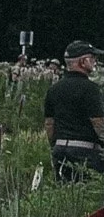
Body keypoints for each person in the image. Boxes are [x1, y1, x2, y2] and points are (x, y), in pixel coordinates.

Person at [44, 41, 104, 179]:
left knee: (63, 187)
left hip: (60, 150)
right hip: (86, 152)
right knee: (87, 189)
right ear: (83, 61)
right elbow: (98, 122)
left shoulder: (54, 89)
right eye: (92, 58)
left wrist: (54, 146)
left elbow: (49, 124)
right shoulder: (90, 89)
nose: (95, 61)